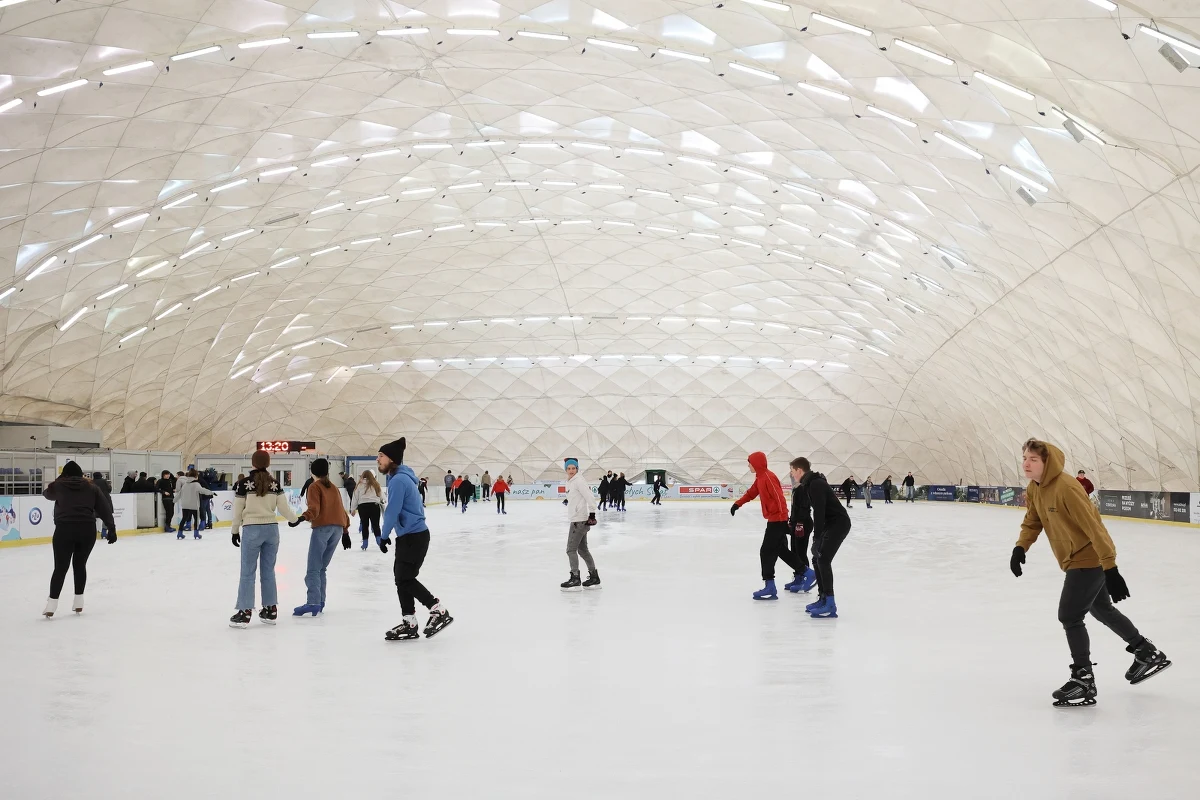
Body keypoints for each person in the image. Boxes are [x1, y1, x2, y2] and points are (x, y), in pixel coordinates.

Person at [1010, 439, 1170, 707]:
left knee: (1070, 615)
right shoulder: (1035, 488)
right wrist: (1020, 547)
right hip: (1074, 558)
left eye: (1033, 459)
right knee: (1101, 609)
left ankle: (1083, 679)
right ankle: (1146, 652)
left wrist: (1111, 568)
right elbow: (1033, 521)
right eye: (1024, 458)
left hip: (1087, 558)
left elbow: (1095, 527)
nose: (1026, 463)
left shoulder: (1067, 487)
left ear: (1047, 462)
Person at [376, 437, 453, 641]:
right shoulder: (400, 478)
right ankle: (409, 622)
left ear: (391, 459)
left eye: (381, 456)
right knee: (401, 579)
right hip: (410, 536)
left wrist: (383, 536)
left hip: (413, 536)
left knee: (405, 578)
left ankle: (438, 610)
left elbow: (392, 511)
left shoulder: (399, 481)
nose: (378, 460)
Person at [229, 450, 299, 628]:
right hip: (271, 531)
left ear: (252, 463)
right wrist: (294, 520)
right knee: (268, 571)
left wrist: (235, 530)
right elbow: (284, 508)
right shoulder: (275, 484)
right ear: (268, 464)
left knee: (247, 572)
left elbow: (237, 510)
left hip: (251, 530)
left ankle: (244, 612)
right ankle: (270, 610)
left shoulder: (243, 484)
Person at [42, 461, 117, 618]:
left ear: (65, 474)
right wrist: (111, 529)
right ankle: (78, 602)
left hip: (64, 529)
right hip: (87, 529)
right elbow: (104, 508)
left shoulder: (59, 485)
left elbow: (47, 494)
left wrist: (59, 479)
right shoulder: (92, 487)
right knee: (80, 565)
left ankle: (52, 604)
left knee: (60, 567)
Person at [731, 452, 806, 600]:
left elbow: (779, 499)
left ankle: (771, 586)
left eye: (750, 462)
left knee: (766, 551)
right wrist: (737, 503)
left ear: (756, 463)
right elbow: (751, 493)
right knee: (781, 550)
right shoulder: (760, 477)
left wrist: (783, 519)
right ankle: (806, 573)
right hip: (774, 519)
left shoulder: (768, 477)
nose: (748, 465)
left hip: (777, 520)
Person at [790, 458, 851, 618]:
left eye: (792, 470)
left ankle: (830, 603)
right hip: (830, 524)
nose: (791, 474)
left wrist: (817, 538)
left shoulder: (815, 484)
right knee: (817, 559)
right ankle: (823, 598)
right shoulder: (810, 484)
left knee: (823, 559)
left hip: (839, 523)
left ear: (799, 470)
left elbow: (819, 512)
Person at [290, 458, 350, 617]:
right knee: (321, 568)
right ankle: (320, 601)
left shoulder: (314, 486)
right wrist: (345, 530)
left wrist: (302, 518)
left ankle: (313, 602)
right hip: (337, 529)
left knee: (313, 569)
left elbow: (314, 509)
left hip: (323, 529)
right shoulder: (334, 488)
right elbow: (341, 510)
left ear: (312, 471)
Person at [560, 458, 600, 591]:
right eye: (569, 468)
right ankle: (594, 577)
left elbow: (589, 496)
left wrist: (592, 513)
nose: (571, 470)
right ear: (566, 469)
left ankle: (575, 578)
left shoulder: (579, 481)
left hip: (579, 521)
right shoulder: (570, 482)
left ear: (577, 468)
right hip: (578, 518)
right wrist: (569, 500)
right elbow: (576, 496)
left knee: (570, 549)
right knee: (583, 550)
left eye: (573, 468)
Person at [782, 460, 817, 594]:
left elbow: (804, 507)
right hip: (797, 522)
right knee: (794, 551)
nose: (790, 474)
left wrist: (800, 523)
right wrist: (792, 521)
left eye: (792, 471)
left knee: (800, 551)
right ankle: (798, 576)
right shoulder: (797, 487)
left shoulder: (803, 487)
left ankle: (805, 577)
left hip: (803, 523)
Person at [350, 469, 383, 551]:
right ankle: (379, 541)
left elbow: (355, 497)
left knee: (365, 525)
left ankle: (365, 543)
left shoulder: (359, 485)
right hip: (374, 506)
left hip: (363, 507)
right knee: (376, 525)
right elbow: (381, 496)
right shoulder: (376, 484)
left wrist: (353, 509)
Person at [176, 469, 214, 540]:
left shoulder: (185, 484)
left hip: (185, 505)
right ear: (196, 476)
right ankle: (196, 534)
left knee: (184, 518)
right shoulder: (196, 484)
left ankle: (179, 533)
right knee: (196, 518)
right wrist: (211, 492)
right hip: (194, 504)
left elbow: (180, 493)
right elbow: (202, 490)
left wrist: (174, 500)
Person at [92, 471, 113, 541]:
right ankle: (104, 532)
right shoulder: (104, 481)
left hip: (95, 501)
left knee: (93, 517)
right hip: (105, 501)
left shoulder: (91, 482)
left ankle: (93, 532)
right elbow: (109, 490)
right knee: (106, 517)